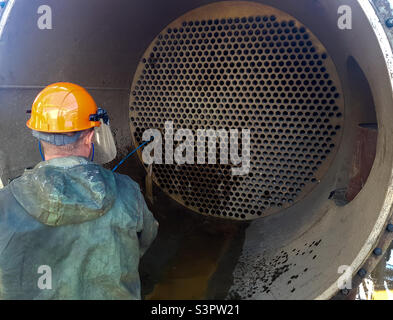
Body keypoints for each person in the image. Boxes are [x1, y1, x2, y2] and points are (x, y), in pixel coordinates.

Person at [0, 82, 158, 299]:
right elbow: (143, 241)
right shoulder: (127, 192)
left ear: (39, 136)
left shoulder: (5, 203)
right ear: (90, 136)